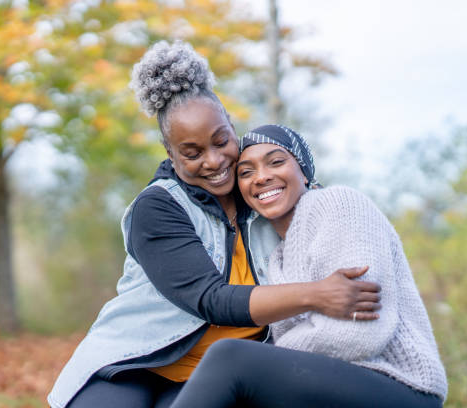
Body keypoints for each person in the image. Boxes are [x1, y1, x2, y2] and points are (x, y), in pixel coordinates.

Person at [47, 42, 382, 408]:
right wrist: (316, 294)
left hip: (220, 374)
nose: (213, 161)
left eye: (221, 142)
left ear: (232, 129)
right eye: (192, 153)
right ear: (170, 153)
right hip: (135, 362)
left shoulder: (260, 195)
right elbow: (211, 299)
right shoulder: (158, 208)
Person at [169, 125, 448, 408]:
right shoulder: (278, 259)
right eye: (246, 172)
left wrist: (276, 353)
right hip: (335, 384)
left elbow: (359, 333)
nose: (261, 177)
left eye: (276, 162)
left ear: (303, 170)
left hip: (401, 385)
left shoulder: (340, 205)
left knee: (230, 357)